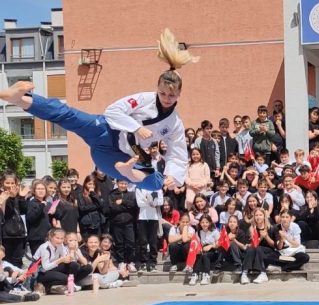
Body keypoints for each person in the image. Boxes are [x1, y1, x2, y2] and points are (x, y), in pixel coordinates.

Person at [0, 29, 193, 190]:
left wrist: (174, 178)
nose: (167, 99)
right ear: (157, 89)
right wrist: (136, 127)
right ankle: (19, 99)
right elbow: (112, 111)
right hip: (105, 131)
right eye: (163, 94)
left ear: (179, 94)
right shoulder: (143, 99)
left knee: (156, 183)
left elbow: (178, 153)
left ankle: (128, 172)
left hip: (119, 157)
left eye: (172, 95)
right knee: (67, 115)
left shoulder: (174, 123)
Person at [34, 228, 86, 294]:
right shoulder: (45, 248)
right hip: (42, 272)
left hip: (53, 268)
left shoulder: (60, 245)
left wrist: (72, 251)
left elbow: (66, 257)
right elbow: (45, 267)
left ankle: (70, 284)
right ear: (50, 237)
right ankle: (45, 285)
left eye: (62, 238)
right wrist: (60, 260)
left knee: (74, 265)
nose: (59, 240)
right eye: (57, 238)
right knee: (65, 278)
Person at [1, 172, 29, 268]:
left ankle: (17, 281)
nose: (10, 185)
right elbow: (6, 214)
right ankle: (7, 282)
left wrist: (21, 197)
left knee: (18, 261)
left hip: (19, 233)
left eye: (12, 183)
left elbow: (24, 210)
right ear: (2, 183)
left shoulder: (17, 195)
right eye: (7, 183)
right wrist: (11, 198)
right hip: (7, 235)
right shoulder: (2, 196)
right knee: (7, 261)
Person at [108, 179, 138, 272]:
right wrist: (125, 207)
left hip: (129, 223)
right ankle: (121, 262)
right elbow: (112, 208)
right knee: (119, 244)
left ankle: (130, 262)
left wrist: (122, 202)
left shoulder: (131, 194)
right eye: (121, 183)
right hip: (117, 223)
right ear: (117, 184)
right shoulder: (112, 194)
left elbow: (133, 206)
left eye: (125, 184)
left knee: (131, 243)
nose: (123, 185)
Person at [240, 208, 273, 284]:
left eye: (260, 215)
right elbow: (254, 243)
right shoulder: (252, 228)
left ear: (264, 216)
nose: (258, 217)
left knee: (257, 249)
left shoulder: (270, 227)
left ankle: (263, 273)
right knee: (252, 249)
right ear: (254, 217)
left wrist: (266, 236)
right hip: (256, 249)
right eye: (256, 215)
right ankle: (244, 273)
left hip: (268, 250)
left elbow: (273, 245)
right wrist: (261, 237)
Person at [135, 187, 164, 273]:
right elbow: (139, 203)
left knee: (153, 241)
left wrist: (147, 201)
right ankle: (143, 263)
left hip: (154, 218)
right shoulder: (139, 188)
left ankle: (152, 263)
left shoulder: (157, 189)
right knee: (143, 241)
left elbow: (161, 201)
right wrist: (152, 202)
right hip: (142, 217)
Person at [190, 215, 219, 286]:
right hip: (203, 251)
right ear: (200, 223)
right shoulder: (198, 233)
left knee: (205, 255)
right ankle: (195, 274)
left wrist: (211, 246)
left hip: (213, 251)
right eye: (202, 222)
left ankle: (206, 275)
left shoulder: (214, 231)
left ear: (210, 223)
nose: (204, 224)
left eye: (206, 222)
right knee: (199, 255)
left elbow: (219, 244)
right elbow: (197, 244)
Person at [26, 180, 52, 256]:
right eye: (38, 189)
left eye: (43, 189)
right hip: (36, 238)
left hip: (47, 237)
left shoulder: (46, 203)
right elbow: (31, 218)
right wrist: (41, 206)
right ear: (34, 191)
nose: (41, 191)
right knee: (37, 261)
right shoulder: (32, 203)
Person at [77, 175, 104, 240]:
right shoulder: (81, 194)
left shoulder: (97, 193)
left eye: (93, 184)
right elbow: (82, 208)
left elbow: (101, 205)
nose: (92, 186)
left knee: (96, 242)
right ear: (85, 184)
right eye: (89, 184)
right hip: (86, 224)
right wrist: (96, 206)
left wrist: (93, 194)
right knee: (87, 243)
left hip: (96, 223)